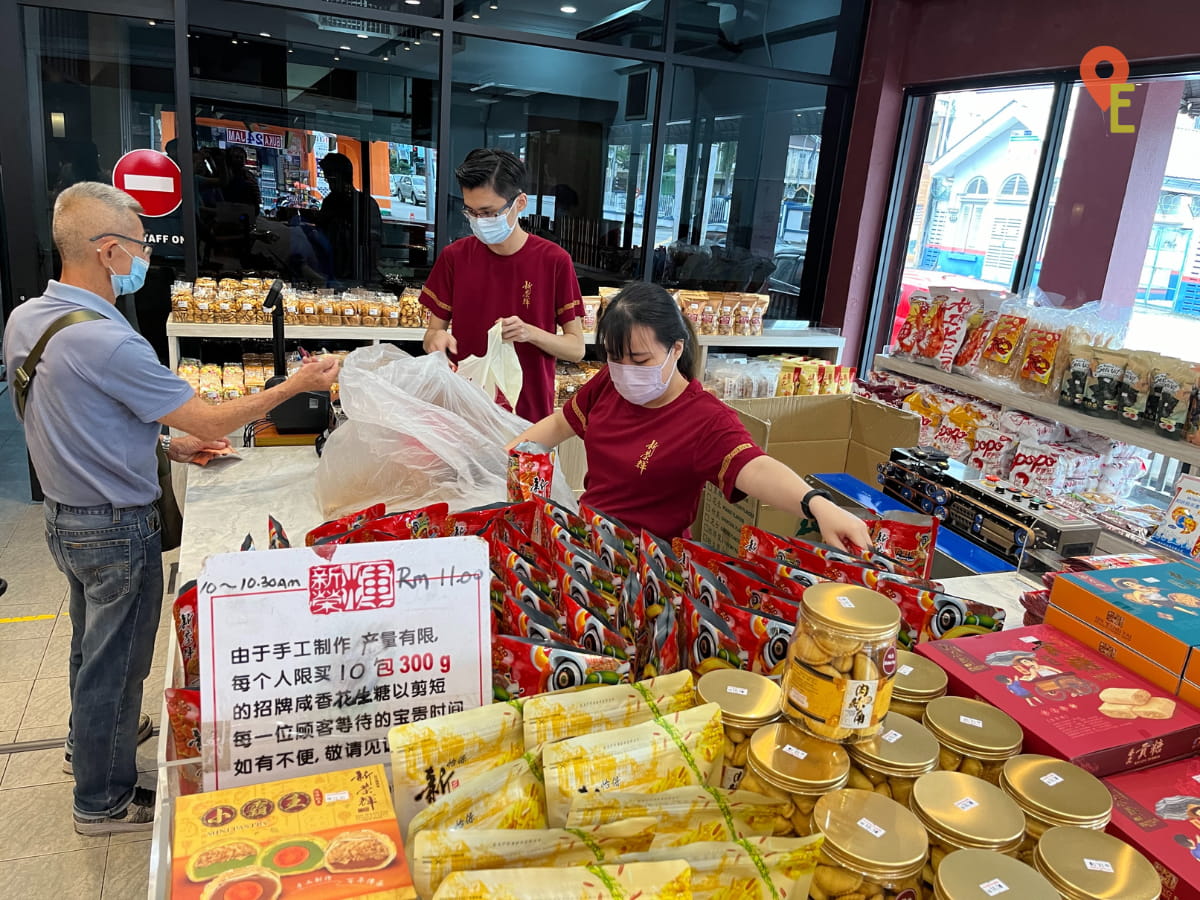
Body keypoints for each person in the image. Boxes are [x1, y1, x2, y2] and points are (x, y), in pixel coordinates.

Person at [2, 182, 340, 835]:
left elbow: (73, 413)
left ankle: (90, 743)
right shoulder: (107, 340)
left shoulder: (29, 319)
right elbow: (212, 414)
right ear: (106, 251)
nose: (144, 260)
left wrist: (160, 441)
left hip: (66, 518)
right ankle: (102, 801)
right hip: (114, 525)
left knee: (89, 645)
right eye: (137, 245)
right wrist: (295, 385)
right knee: (119, 660)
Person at [507, 282, 871, 548]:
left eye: (640, 360)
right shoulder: (607, 383)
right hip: (587, 543)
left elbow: (755, 467)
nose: (624, 370)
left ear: (676, 348)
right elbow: (559, 423)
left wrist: (817, 505)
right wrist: (508, 454)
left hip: (648, 565)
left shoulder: (704, 419)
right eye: (615, 358)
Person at [421, 148, 585, 423]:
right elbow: (432, 335)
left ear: (520, 203)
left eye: (488, 212)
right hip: (466, 412)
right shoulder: (455, 257)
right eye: (471, 212)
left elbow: (576, 348)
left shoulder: (554, 261)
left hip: (529, 418)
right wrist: (435, 341)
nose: (479, 221)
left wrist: (529, 332)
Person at [316, 152, 382, 284]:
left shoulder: (364, 204)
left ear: (341, 177)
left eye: (331, 179)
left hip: (357, 272)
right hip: (333, 270)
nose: (329, 184)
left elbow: (373, 243)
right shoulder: (330, 201)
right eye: (328, 180)